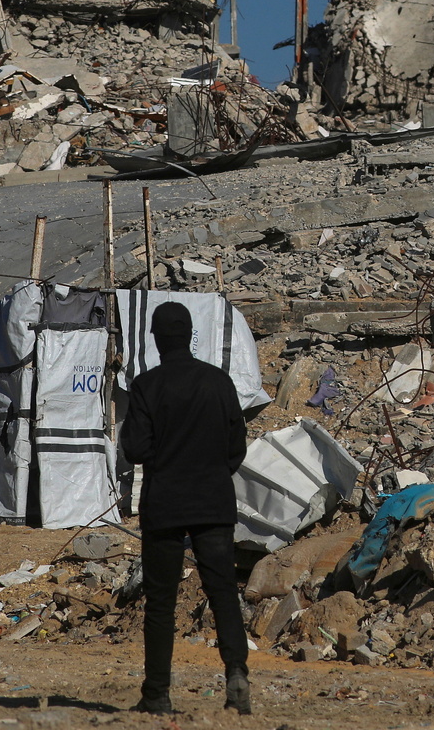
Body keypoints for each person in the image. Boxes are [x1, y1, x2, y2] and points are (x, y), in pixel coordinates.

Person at [121, 301, 251, 715]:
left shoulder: (146, 386)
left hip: (165, 504)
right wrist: (211, 471)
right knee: (223, 592)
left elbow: (134, 449)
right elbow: (236, 448)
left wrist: (166, 459)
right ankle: (237, 674)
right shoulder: (219, 382)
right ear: (189, 336)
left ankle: (157, 693)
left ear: (157, 340)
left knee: (161, 601)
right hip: (214, 502)